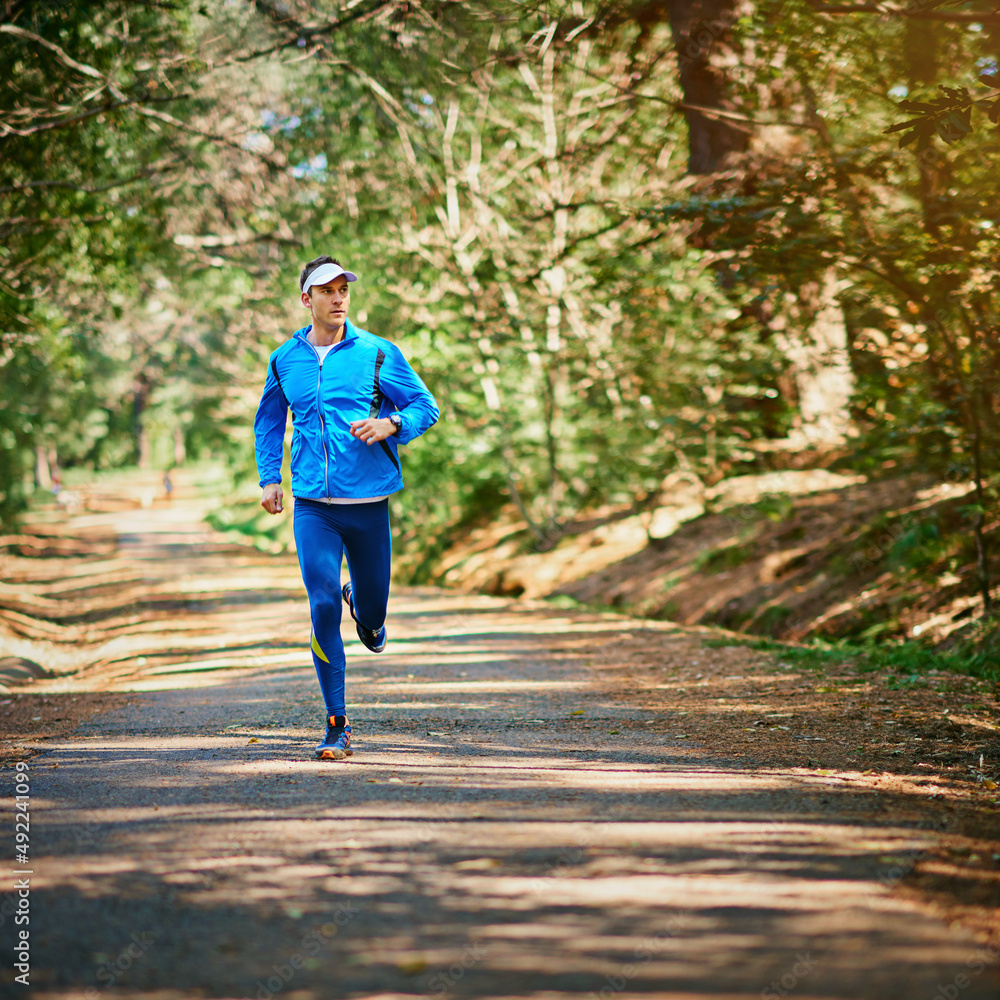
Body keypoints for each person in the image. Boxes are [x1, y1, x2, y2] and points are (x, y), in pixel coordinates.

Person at [254, 256, 439, 761]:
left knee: (373, 619)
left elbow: (427, 406)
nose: (338, 298)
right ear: (305, 299)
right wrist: (270, 478)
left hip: (368, 504)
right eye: (327, 290)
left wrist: (393, 425)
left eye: (344, 290)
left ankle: (366, 605)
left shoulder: (378, 353)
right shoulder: (284, 359)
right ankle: (337, 724)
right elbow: (269, 421)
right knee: (320, 605)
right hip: (313, 505)